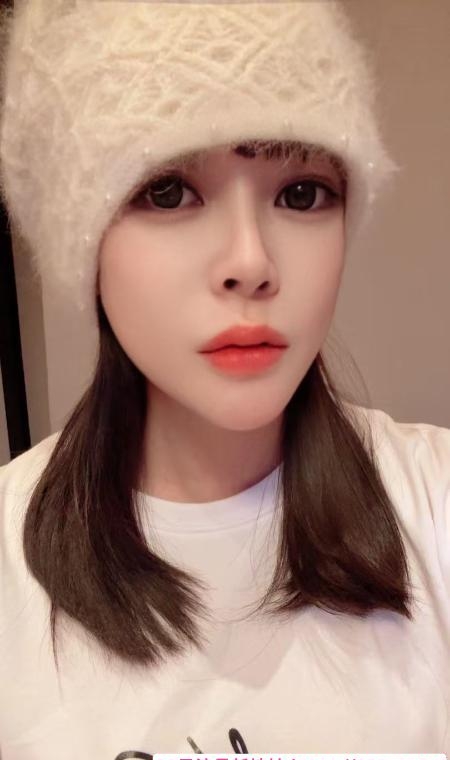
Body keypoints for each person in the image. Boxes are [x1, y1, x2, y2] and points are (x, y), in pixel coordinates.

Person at [0, 1, 449, 758]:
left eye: (302, 193)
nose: (250, 261)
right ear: (83, 243)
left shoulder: (435, 505)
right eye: (167, 191)